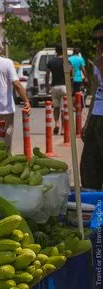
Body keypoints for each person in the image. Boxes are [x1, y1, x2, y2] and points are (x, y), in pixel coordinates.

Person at [80, 22, 103, 191]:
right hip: (97, 117)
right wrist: (88, 120)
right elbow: (96, 93)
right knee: (89, 167)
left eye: (102, 40)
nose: (99, 45)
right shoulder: (98, 62)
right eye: (97, 41)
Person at [45, 44, 67, 135]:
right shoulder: (66, 61)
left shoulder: (51, 61)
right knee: (63, 109)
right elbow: (71, 73)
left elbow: (47, 74)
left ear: (56, 51)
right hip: (64, 87)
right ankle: (62, 129)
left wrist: (47, 86)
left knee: (56, 107)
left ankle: (57, 123)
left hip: (54, 87)